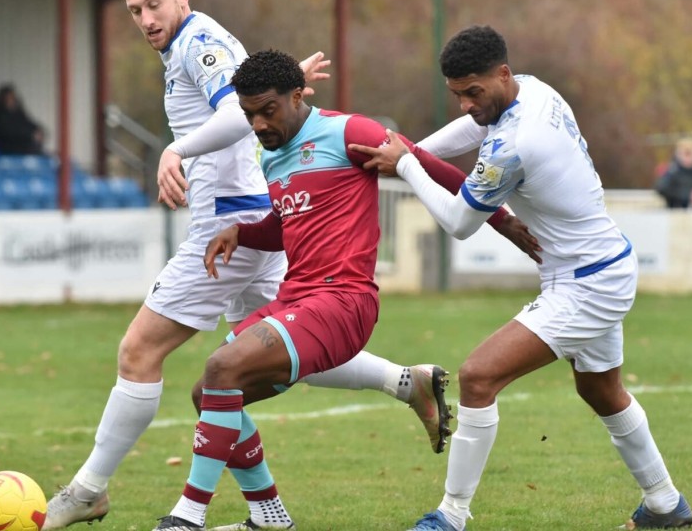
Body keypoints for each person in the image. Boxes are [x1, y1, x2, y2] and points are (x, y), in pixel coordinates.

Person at [42, 0, 538, 530]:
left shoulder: (202, 43)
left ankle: (113, 495)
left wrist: (178, 150)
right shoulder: (275, 144)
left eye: (154, 4)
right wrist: (276, 106)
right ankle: (280, 504)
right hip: (249, 229)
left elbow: (410, 156)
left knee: (144, 354)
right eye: (134, 11)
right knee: (224, 384)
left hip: (246, 234)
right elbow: (248, 102)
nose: (146, 18)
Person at [153, 49, 537, 531]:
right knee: (208, 391)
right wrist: (244, 233)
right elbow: (288, 225)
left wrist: (502, 221)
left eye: (267, 111)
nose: (258, 124)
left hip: (344, 301)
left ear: (297, 96)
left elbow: (425, 163)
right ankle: (268, 516)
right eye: (249, 115)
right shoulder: (270, 156)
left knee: (220, 367)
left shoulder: (348, 132)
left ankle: (187, 517)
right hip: (298, 299)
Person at [350, 25, 692, 530]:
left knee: (478, 376)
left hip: (587, 283)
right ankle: (665, 505)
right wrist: (413, 150)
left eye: (473, 92)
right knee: (601, 391)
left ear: (502, 74)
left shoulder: (513, 145)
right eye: (457, 94)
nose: (466, 104)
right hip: (602, 264)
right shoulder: (532, 88)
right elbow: (475, 129)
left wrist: (407, 164)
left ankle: (451, 516)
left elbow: (460, 223)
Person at [0, 84, 47, 155]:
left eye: (12, 98)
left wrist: (38, 131)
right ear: (2, 99)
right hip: (3, 144)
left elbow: (27, 122)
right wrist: (30, 134)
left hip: (18, 142)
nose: (10, 100)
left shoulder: (17, 111)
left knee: (39, 148)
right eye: (8, 98)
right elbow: (7, 131)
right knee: (30, 146)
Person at [654, 137, 692, 209]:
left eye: (691, 154)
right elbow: (661, 188)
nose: (689, 158)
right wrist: (687, 195)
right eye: (686, 154)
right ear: (678, 154)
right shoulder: (672, 172)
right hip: (675, 214)